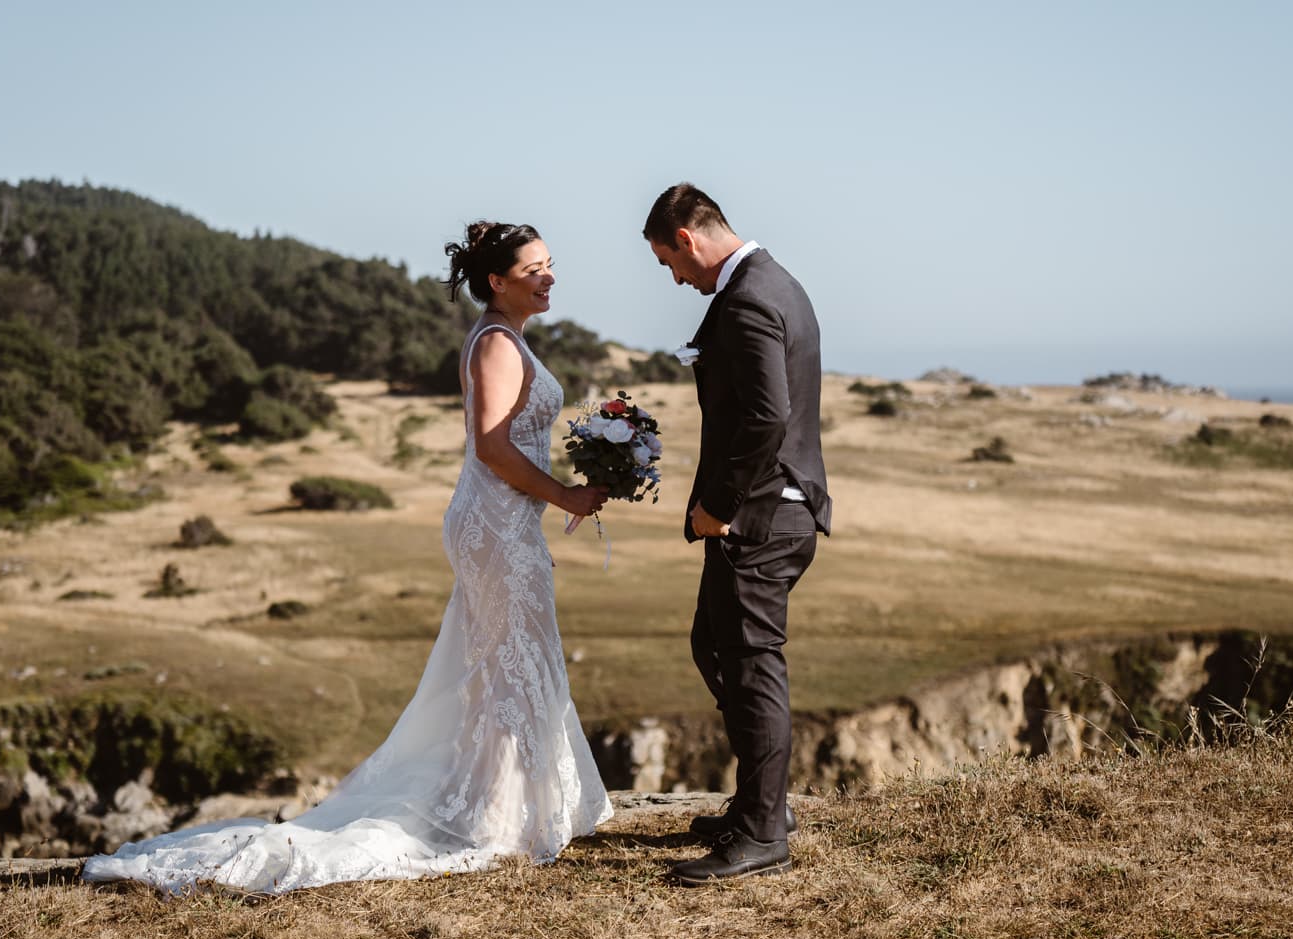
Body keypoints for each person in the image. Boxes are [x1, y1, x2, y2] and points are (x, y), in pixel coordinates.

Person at [82, 222, 614, 893]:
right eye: (534, 269)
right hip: (497, 526)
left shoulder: (506, 339)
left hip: (504, 521)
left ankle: (507, 809)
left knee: (508, 661)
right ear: (497, 281)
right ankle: (494, 818)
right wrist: (565, 494)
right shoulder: (498, 345)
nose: (549, 277)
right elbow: (493, 448)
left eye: (550, 265)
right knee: (511, 659)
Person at [643, 183, 831, 885]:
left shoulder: (749, 297)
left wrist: (717, 505)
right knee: (714, 644)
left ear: (687, 240)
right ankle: (764, 802)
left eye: (669, 263)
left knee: (752, 665)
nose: (675, 278)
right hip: (770, 506)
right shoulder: (775, 279)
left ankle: (761, 833)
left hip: (759, 511)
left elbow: (765, 418)